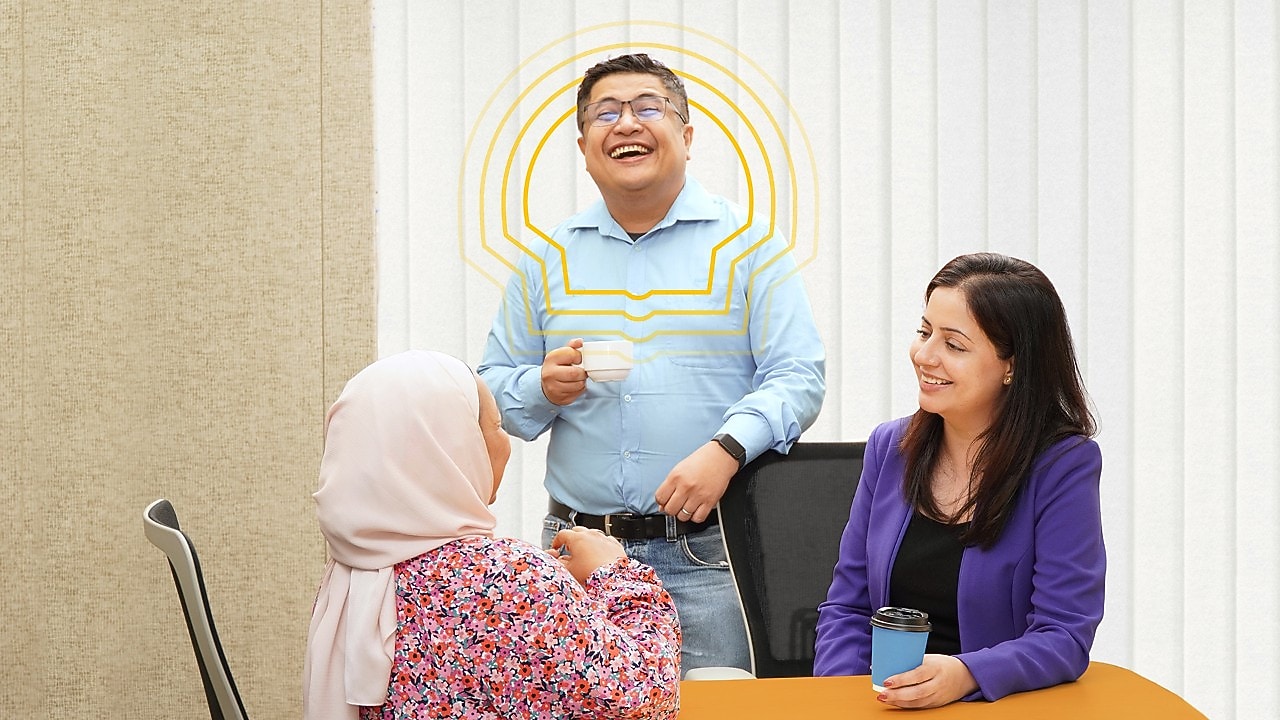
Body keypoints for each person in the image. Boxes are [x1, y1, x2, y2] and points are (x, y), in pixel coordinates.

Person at [477, 52, 826, 675]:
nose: (625, 124)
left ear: (686, 137)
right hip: (575, 551)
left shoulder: (748, 247)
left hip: (709, 555)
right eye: (605, 114)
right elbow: (490, 391)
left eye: (647, 108)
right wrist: (542, 386)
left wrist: (726, 449)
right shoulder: (547, 258)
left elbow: (798, 377)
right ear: (584, 146)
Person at [302, 350, 681, 719]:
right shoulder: (507, 580)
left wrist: (557, 595)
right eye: (495, 426)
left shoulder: (352, 573)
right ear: (449, 447)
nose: (505, 445)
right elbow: (643, 701)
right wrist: (616, 574)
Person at [813, 252, 1105, 708]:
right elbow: (847, 609)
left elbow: (1064, 634)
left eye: (955, 344)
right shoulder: (891, 447)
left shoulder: (1062, 464)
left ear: (1013, 366)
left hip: (996, 707)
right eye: (925, 332)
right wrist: (843, 698)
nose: (924, 355)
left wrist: (967, 674)